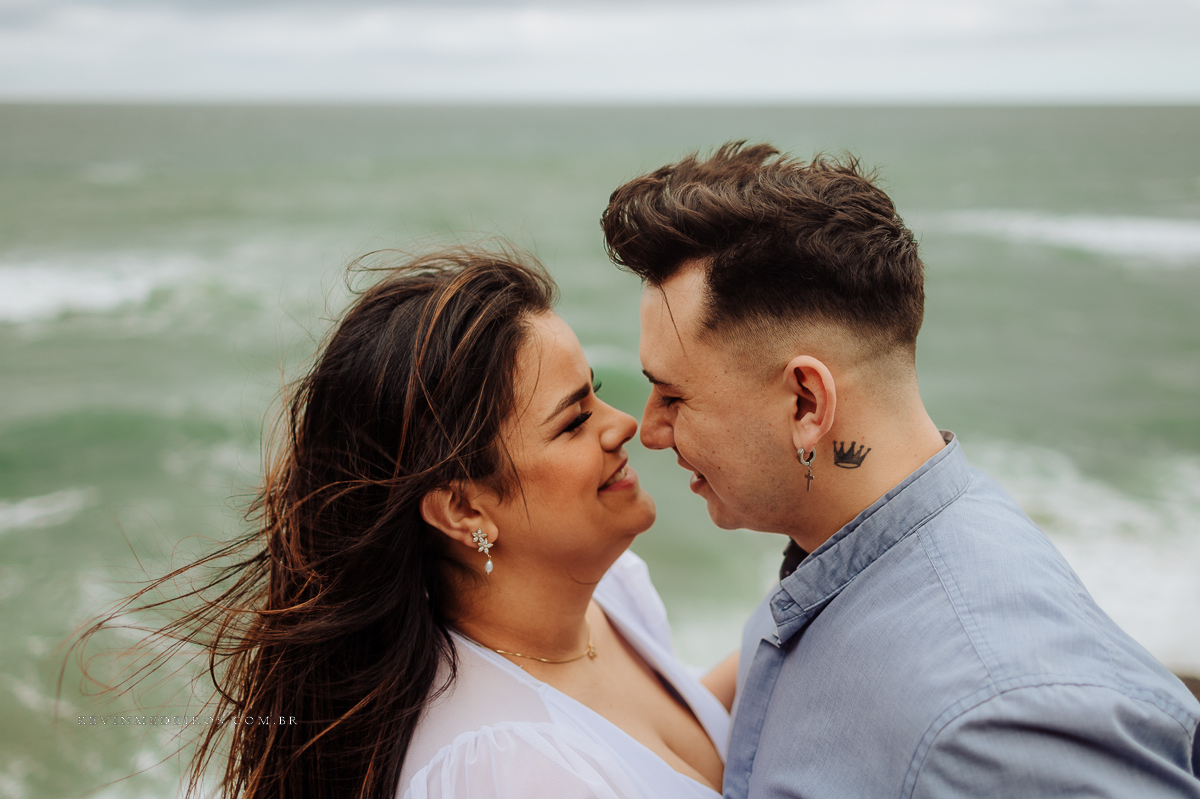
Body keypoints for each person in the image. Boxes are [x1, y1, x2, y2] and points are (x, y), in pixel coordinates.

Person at [600, 142, 1200, 798]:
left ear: (806, 403)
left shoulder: (999, 724)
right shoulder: (834, 560)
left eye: (675, 396)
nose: (649, 430)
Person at [81, 249, 727, 799]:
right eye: (574, 419)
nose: (625, 425)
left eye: (596, 389)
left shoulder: (608, 596)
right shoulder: (506, 771)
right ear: (464, 508)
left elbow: (660, 744)